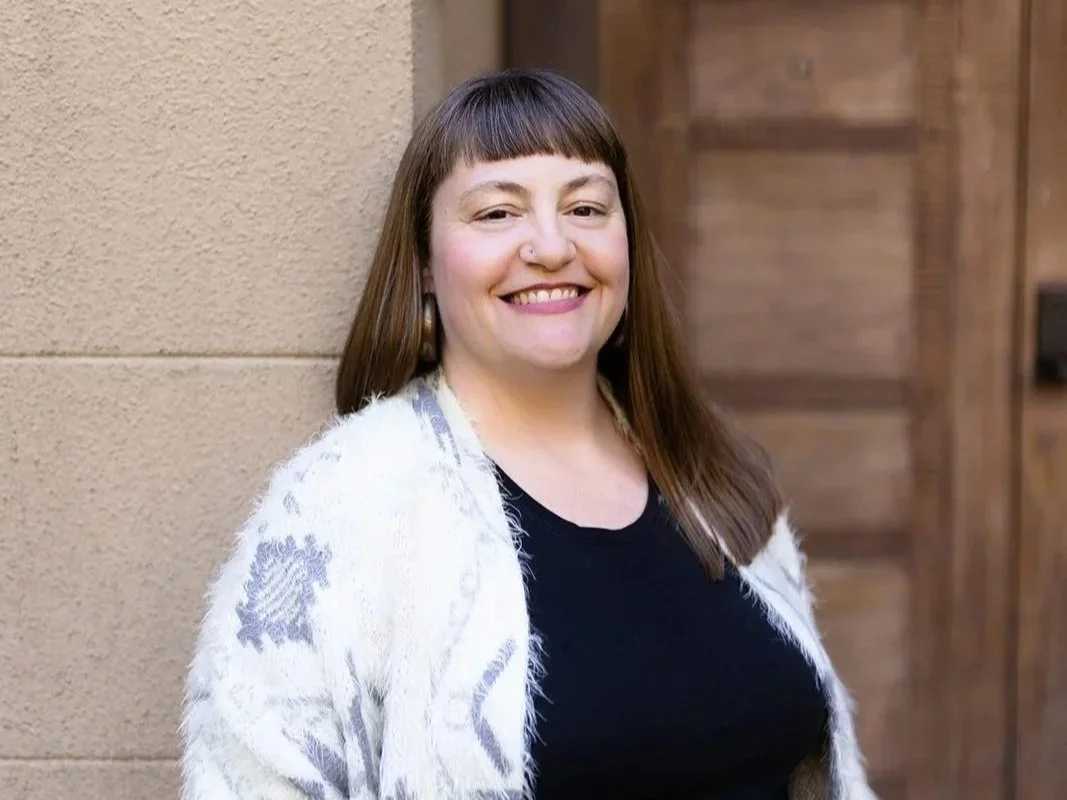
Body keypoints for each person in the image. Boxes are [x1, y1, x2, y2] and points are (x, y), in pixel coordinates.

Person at [180, 68, 877, 800]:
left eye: (584, 208)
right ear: (422, 263)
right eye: (496, 214)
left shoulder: (707, 476)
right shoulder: (344, 504)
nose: (550, 247)